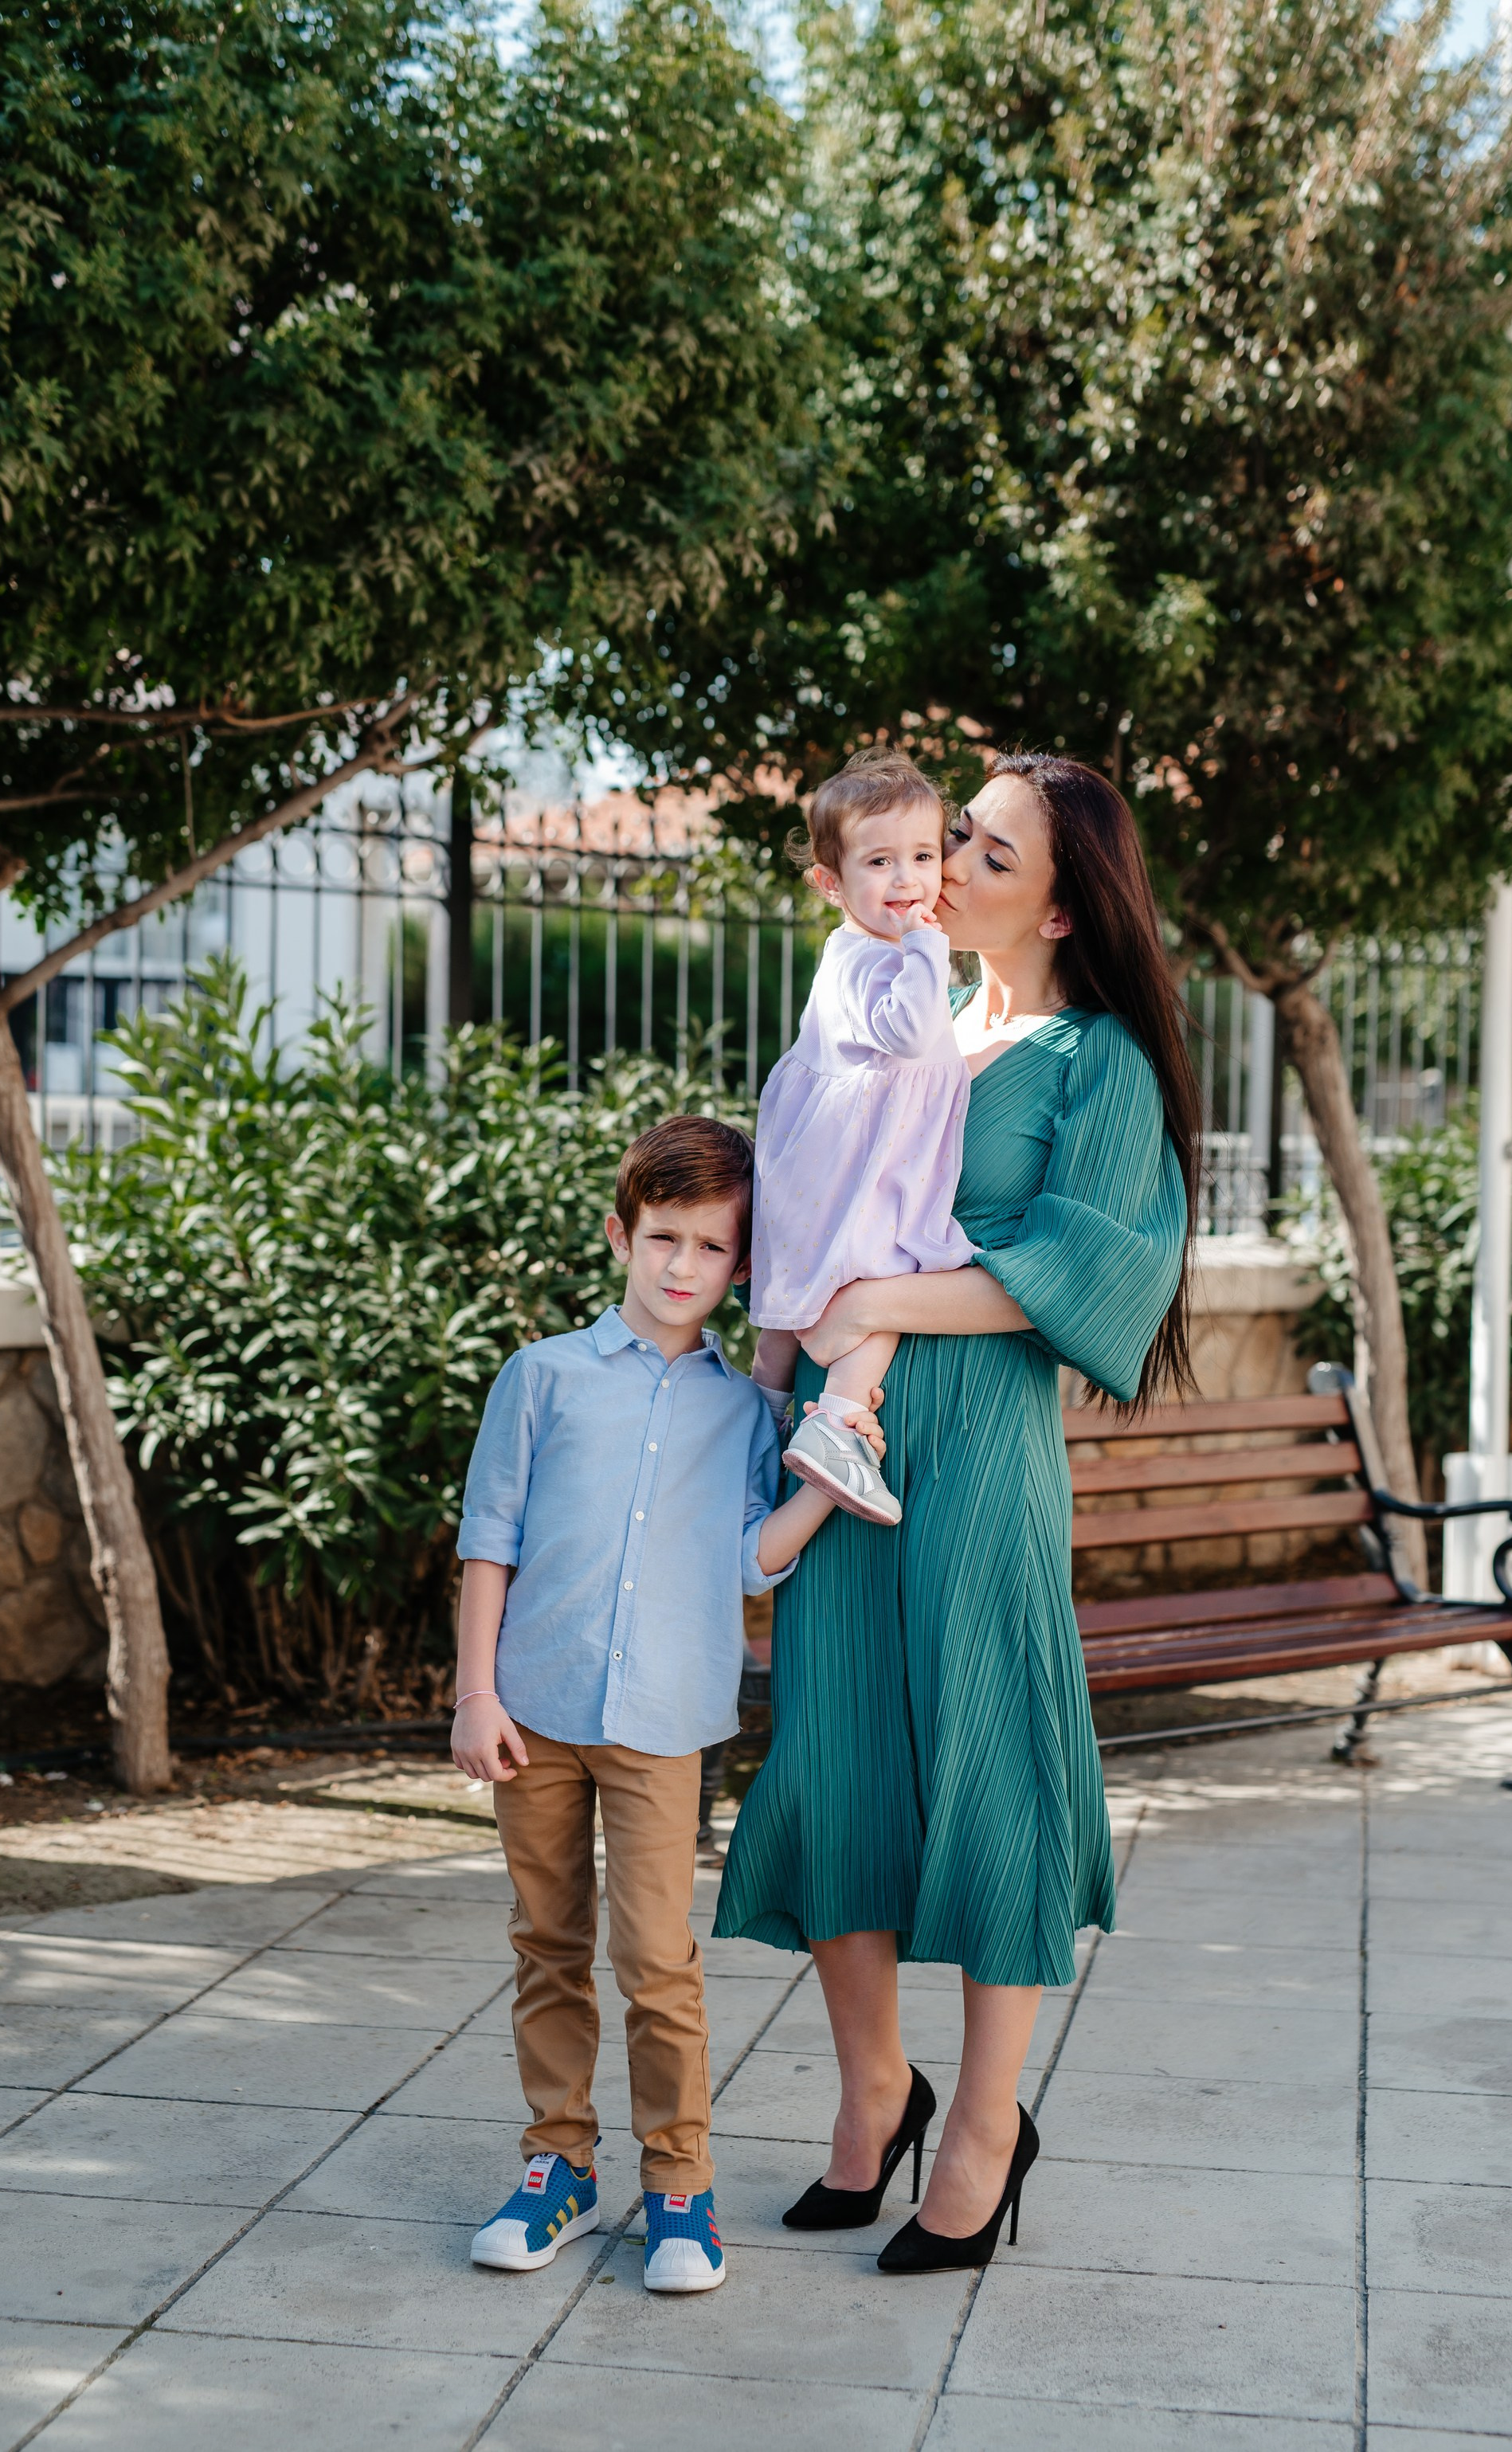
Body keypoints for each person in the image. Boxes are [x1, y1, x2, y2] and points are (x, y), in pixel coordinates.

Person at [715, 752, 1197, 2274]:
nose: (950, 865)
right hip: (837, 1450)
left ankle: (985, 2121)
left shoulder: (1094, 1061)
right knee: (836, 1757)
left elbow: (1088, 1273)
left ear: (1060, 905)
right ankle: (875, 2088)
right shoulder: (903, 1007)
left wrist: (873, 1296)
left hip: (975, 1457)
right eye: (955, 838)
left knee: (988, 1768)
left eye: (987, 849)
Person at [450, 1114, 884, 2295]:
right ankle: (559, 2167)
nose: (684, 1265)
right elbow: (489, 1541)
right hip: (531, 1711)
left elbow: (754, 1557)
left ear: (740, 1267)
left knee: (656, 1957)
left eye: (709, 1246)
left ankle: (679, 2183)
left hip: (661, 1724)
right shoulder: (540, 1377)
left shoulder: (747, 1413)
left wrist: (830, 1488)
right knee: (547, 1943)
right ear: (620, 1235)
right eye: (663, 1238)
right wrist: (475, 1690)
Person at [750, 746, 974, 1529]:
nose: (909, 880)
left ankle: (764, 1411)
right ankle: (835, 1424)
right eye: (879, 861)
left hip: (835, 1163)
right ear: (830, 882)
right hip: (851, 1172)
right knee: (881, 1287)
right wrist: (928, 947)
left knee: (791, 1309)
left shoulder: (870, 955)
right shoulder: (874, 960)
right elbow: (912, 1038)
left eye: (922, 855)